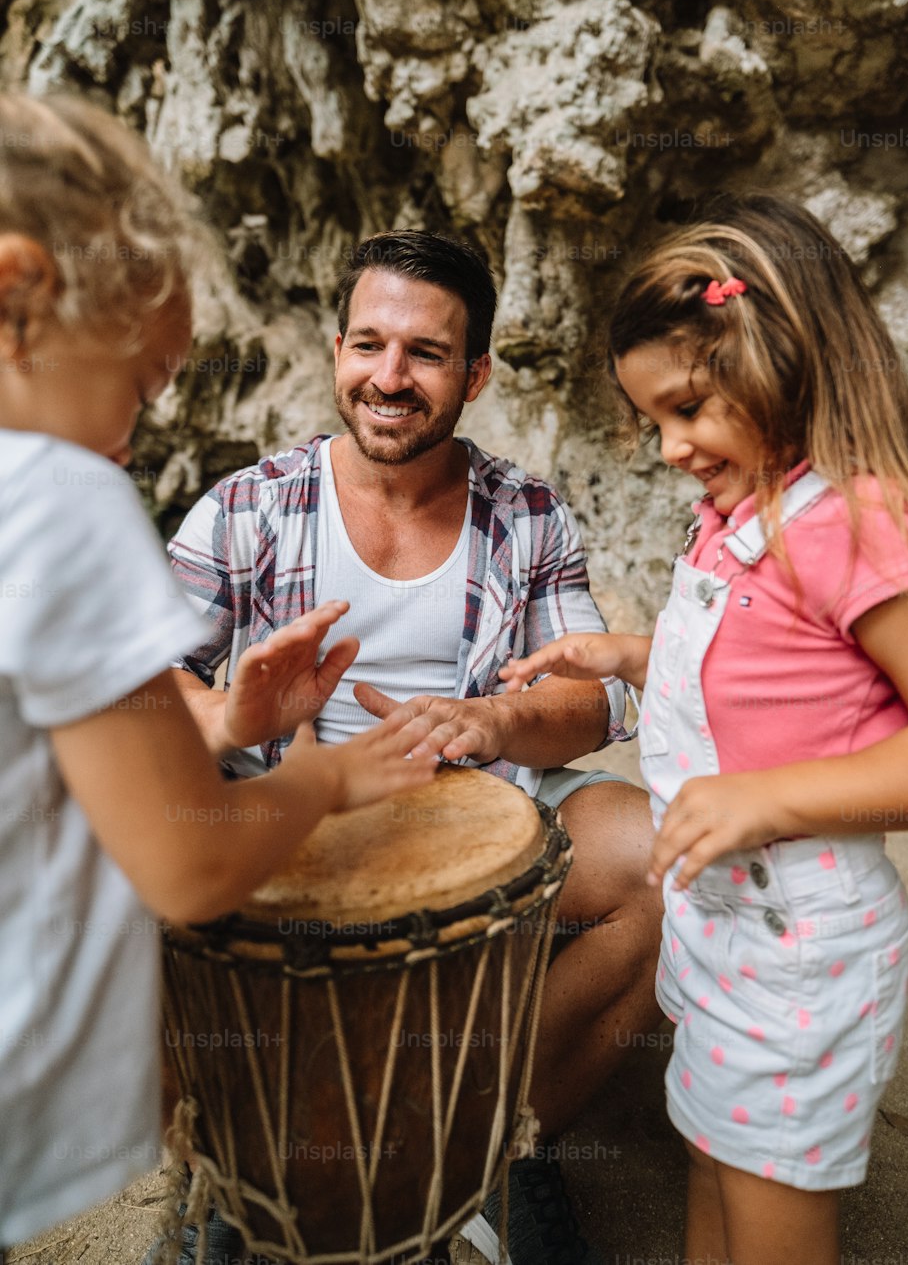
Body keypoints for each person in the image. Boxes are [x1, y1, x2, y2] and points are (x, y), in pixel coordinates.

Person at [500, 194, 908, 1265]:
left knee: (774, 1207)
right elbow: (780, 670)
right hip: (724, 929)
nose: (671, 446)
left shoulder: (861, 522)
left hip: (801, 947)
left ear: (779, 356)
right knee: (720, 1161)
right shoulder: (741, 515)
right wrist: (633, 654)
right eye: (653, 423)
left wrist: (766, 797)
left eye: (687, 409)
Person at [161, 230, 666, 1265]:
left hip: (484, 814)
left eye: (426, 354)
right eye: (368, 344)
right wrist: (232, 719)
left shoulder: (525, 514)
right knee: (122, 820)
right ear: (337, 350)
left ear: (474, 372)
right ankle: (236, 1144)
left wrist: (492, 720)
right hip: (286, 809)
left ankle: (496, 1139)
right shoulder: (248, 506)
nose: (389, 378)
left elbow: (590, 701)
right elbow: (133, 683)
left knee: (668, 861)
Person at [0, 93, 438, 1256]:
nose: (134, 440)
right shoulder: (57, 497)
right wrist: (325, 782)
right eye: (141, 385)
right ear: (17, 297)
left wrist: (227, 716)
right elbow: (188, 864)